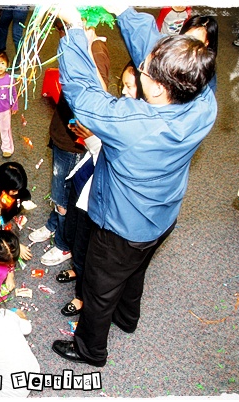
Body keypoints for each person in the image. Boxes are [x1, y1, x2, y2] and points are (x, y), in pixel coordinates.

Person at [51, 5, 216, 367]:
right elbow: (160, 56)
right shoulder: (203, 101)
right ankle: (127, 318)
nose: (142, 67)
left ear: (157, 87)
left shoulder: (134, 122)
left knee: (98, 288)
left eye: (143, 70)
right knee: (135, 269)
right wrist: (124, 11)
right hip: (160, 217)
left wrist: (74, 30)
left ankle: (90, 350)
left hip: (121, 228)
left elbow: (84, 94)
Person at [60, 62, 142, 318]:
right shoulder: (122, 111)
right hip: (84, 181)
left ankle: (82, 295)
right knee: (73, 233)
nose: (124, 91)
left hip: (98, 196)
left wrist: (91, 138)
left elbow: (110, 158)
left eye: (130, 86)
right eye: (123, 85)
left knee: (86, 246)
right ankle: (76, 268)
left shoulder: (139, 126)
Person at [29, 19, 110, 269]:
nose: (61, 36)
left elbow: (95, 99)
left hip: (73, 142)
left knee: (63, 197)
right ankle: (54, 225)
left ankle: (64, 244)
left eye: (64, 30)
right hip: (62, 132)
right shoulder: (80, 46)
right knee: (58, 192)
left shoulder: (95, 53)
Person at [179, 15, 218, 93]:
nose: (188, 44)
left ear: (206, 43)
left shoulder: (206, 78)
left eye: (195, 41)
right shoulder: (167, 51)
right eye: (186, 37)